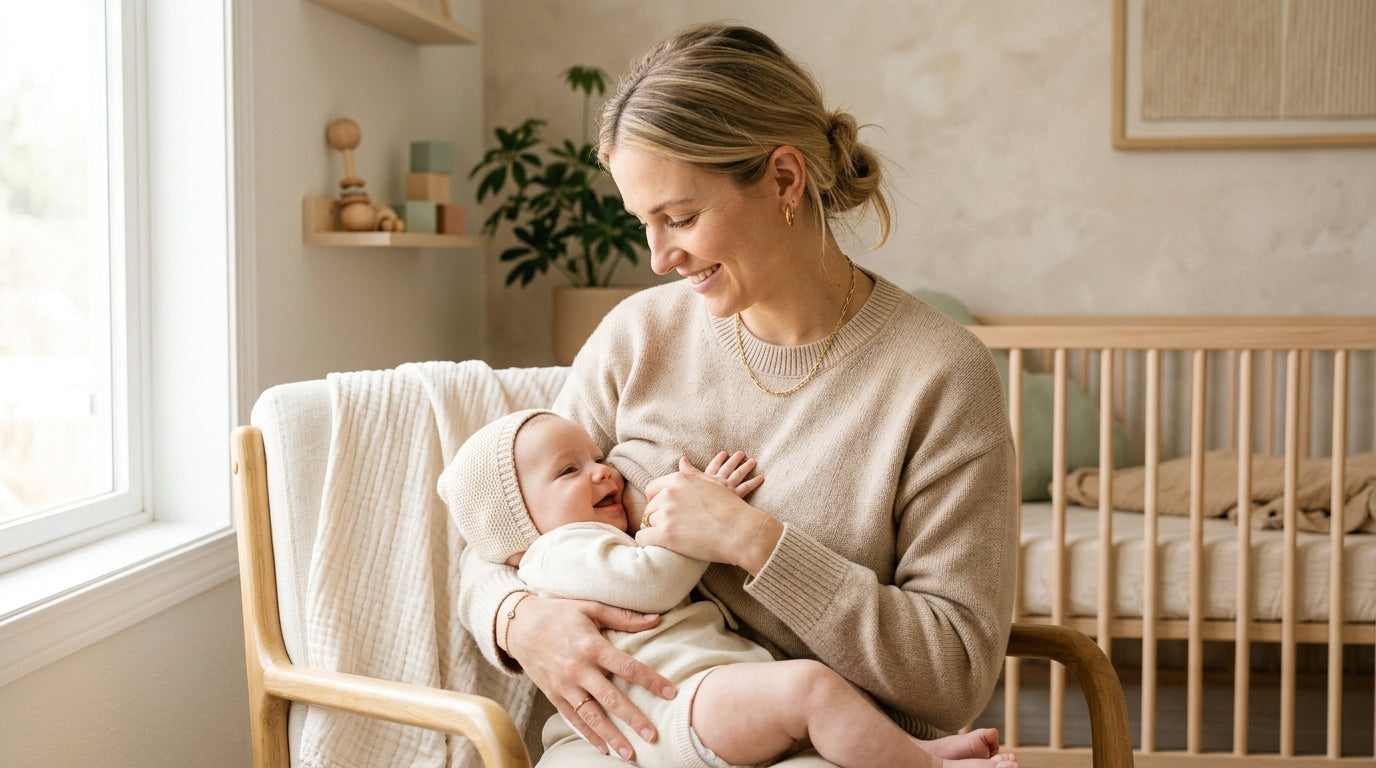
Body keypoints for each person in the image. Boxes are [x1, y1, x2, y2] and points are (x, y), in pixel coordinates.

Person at [458, 22, 1019, 767]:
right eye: (644, 224)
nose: (659, 258)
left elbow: (952, 674)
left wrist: (752, 541)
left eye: (681, 218)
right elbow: (499, 527)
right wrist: (516, 618)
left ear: (784, 180)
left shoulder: (940, 376)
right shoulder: (637, 339)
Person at [439, 409, 1017, 768]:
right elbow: (653, 580)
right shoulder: (556, 553)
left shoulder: (581, 540)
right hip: (668, 713)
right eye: (569, 471)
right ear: (518, 524)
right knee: (812, 690)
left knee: (820, 698)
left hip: (697, 702)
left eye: (596, 455)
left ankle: (909, 755)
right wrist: (697, 516)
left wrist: (743, 533)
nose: (603, 470)